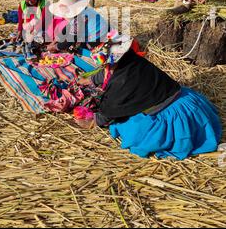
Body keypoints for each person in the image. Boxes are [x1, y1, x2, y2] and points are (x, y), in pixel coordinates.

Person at [78, 36, 222, 160]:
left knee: (131, 130)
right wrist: (91, 79)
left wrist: (94, 121)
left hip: (172, 117)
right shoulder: (131, 61)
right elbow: (107, 74)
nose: (105, 68)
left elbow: (110, 110)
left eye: (106, 65)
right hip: (187, 102)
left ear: (112, 62)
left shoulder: (122, 81)